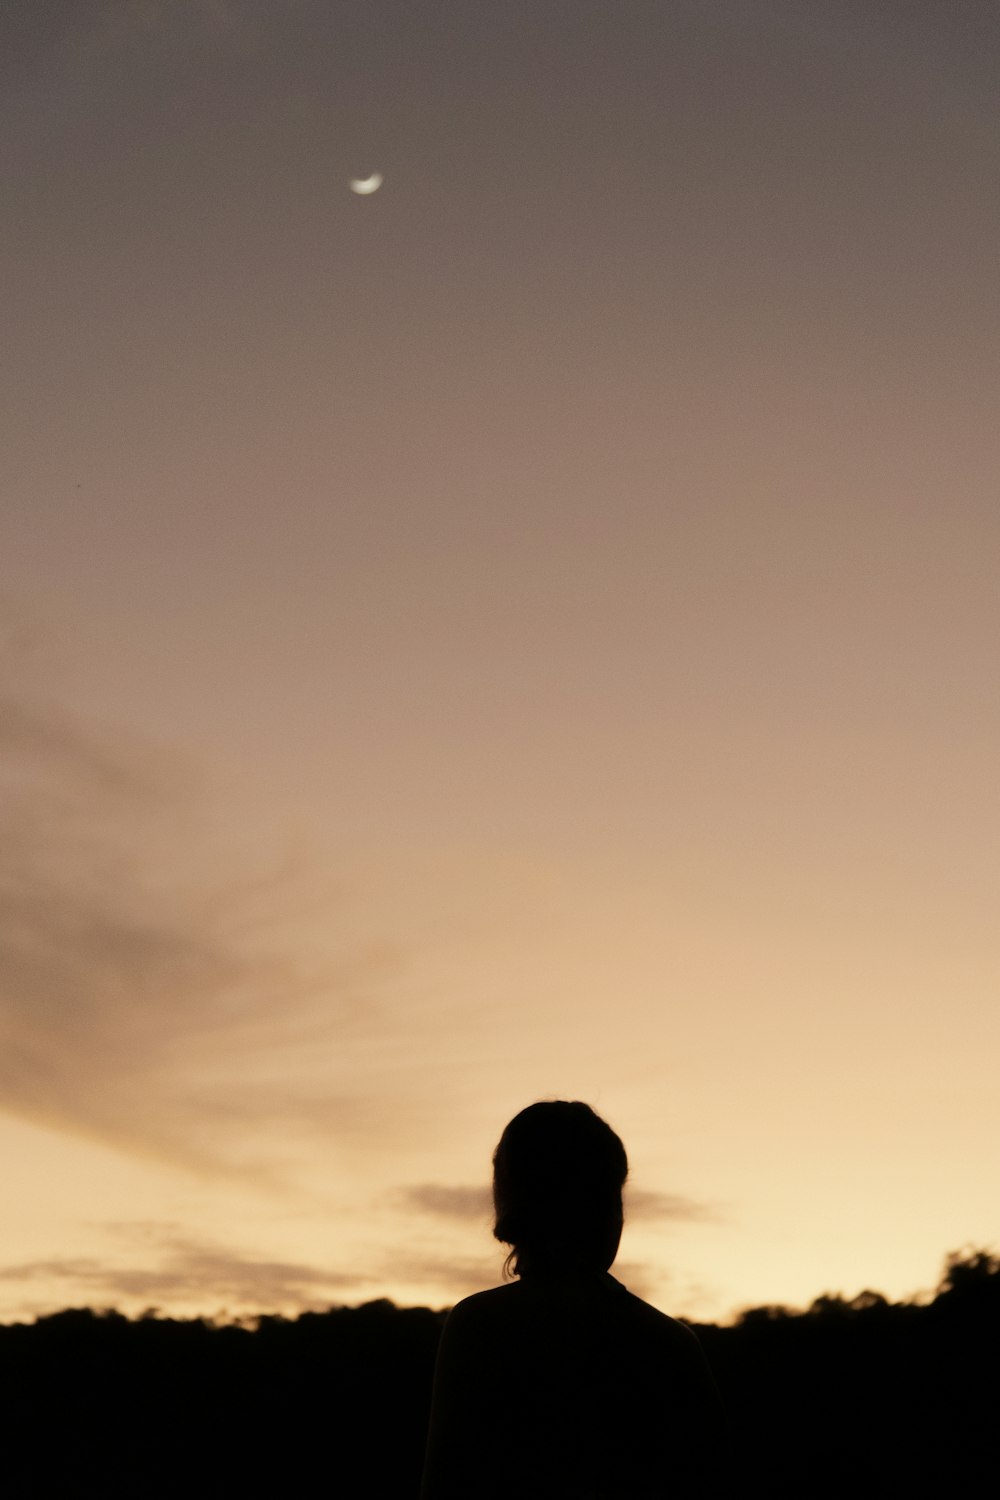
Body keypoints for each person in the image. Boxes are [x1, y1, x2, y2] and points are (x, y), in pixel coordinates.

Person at [420, 1100, 725, 1498]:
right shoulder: (668, 1341)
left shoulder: (479, 1325)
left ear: (509, 1203)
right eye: (613, 1194)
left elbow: (446, 1481)